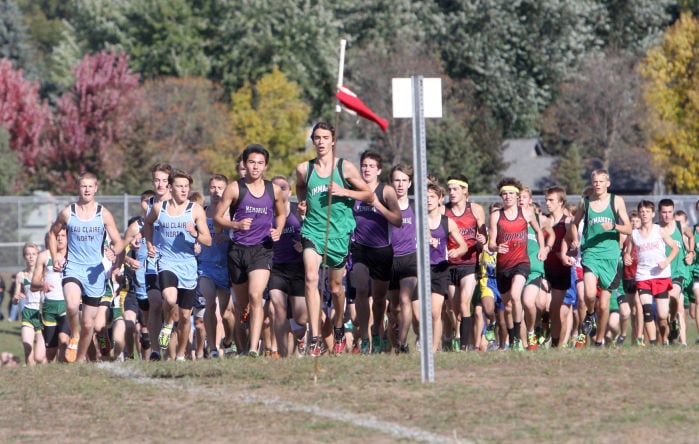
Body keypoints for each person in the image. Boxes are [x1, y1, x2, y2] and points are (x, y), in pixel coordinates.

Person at [295, 122, 372, 356]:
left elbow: (368, 194)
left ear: (332, 141)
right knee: (310, 277)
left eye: (325, 137)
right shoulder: (303, 169)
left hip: (338, 234)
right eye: (316, 137)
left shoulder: (344, 168)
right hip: (312, 231)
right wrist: (302, 203)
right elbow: (300, 187)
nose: (320, 142)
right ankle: (315, 336)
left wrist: (344, 192)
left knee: (336, 288)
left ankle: (339, 324)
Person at [214, 145, 286, 357]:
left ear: (266, 166)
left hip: (262, 250)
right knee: (242, 306)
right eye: (251, 162)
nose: (255, 167)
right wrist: (235, 225)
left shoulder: (274, 190)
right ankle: (241, 344)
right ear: (245, 164)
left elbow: (281, 214)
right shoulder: (235, 188)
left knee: (256, 296)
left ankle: (253, 348)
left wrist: (278, 230)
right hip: (238, 251)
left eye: (260, 163)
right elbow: (218, 218)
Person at [48, 172, 125, 363]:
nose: (87, 189)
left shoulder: (103, 214)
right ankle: (74, 334)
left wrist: (114, 252)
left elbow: (118, 242)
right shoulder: (68, 212)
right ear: (78, 188)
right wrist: (55, 256)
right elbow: (52, 233)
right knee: (73, 305)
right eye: (84, 186)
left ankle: (82, 359)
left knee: (90, 324)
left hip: (96, 274)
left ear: (96, 188)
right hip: (73, 267)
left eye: (91, 186)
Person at [144, 169, 211, 361]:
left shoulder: (195, 210)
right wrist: (150, 244)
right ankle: (166, 324)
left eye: (186, 187)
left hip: (188, 266)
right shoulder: (160, 208)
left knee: (184, 316)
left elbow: (208, 240)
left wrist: (195, 234)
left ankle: (181, 354)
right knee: (170, 299)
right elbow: (147, 224)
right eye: (180, 186)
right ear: (170, 188)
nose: (184, 190)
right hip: (166, 262)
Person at [569, 169, 631, 347]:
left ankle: (599, 340)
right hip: (591, 254)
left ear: (607, 183)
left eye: (601, 181)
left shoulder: (616, 201)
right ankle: (590, 314)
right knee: (589, 293)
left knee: (604, 305)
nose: (597, 184)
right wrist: (575, 239)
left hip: (611, 257)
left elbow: (628, 229)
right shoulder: (586, 202)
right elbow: (574, 224)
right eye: (594, 181)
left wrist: (613, 225)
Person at [351, 150, 402, 354]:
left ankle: (377, 330)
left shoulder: (386, 191)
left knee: (380, 299)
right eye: (364, 165)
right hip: (359, 248)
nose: (367, 169)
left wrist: (377, 205)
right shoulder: (353, 190)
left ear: (379, 170)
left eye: (372, 166)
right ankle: (364, 337)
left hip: (382, 250)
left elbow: (397, 220)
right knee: (361, 290)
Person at [488, 178, 547, 351]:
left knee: (516, 296)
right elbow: (491, 243)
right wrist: (497, 247)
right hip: (503, 266)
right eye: (504, 194)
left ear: (516, 195)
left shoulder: (527, 213)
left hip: (521, 263)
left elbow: (539, 231)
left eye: (511, 193)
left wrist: (542, 248)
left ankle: (527, 334)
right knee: (507, 307)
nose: (508, 197)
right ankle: (514, 338)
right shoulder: (496, 216)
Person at [624, 200, 678, 345]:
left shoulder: (659, 230)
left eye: (647, 212)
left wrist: (666, 262)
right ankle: (653, 343)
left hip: (661, 275)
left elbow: (675, 248)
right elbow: (627, 252)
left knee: (662, 315)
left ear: (653, 214)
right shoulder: (634, 234)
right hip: (643, 275)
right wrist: (627, 258)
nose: (644, 214)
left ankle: (665, 339)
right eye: (642, 212)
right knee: (646, 310)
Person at [267, 175, 309, 357]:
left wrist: (304, 246)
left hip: (297, 268)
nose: (280, 190)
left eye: (283, 187)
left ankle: (300, 338)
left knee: (301, 319)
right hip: (276, 268)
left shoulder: (298, 215)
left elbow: (314, 238)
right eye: (276, 187)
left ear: (290, 192)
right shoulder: (267, 217)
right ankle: (283, 355)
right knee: (278, 308)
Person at [444, 174, 486, 351]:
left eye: (455, 189)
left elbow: (484, 236)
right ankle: (458, 334)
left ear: (464, 190)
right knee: (453, 308)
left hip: (470, 262)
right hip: (450, 263)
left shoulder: (475, 209)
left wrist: (482, 240)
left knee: (464, 303)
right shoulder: (443, 210)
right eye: (449, 189)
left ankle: (464, 345)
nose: (452, 193)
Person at [427, 182, 469, 352]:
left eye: (432, 197)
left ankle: (434, 349)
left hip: (440, 269)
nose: (428, 200)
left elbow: (464, 246)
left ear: (440, 200)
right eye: (425, 197)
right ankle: (421, 341)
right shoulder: (417, 220)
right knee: (418, 315)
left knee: (435, 313)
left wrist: (456, 252)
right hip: (420, 269)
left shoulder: (448, 222)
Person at [198, 174, 235, 358]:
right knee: (210, 302)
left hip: (226, 267)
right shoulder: (201, 213)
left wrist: (229, 236)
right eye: (212, 187)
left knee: (227, 312)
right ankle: (212, 347)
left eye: (220, 187)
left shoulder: (231, 214)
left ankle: (228, 341)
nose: (216, 191)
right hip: (206, 266)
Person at [387, 165, 419, 353]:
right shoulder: (386, 206)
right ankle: (394, 343)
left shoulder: (415, 208)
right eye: (397, 180)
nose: (400, 184)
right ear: (391, 183)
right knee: (395, 308)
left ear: (409, 183)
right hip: (390, 259)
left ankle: (403, 342)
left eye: (404, 180)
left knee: (406, 299)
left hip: (410, 258)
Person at [519, 187, 552, 350]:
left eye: (524, 197)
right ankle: (525, 342)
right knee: (520, 307)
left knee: (530, 303)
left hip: (535, 267)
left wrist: (546, 248)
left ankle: (535, 329)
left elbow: (551, 234)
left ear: (530, 200)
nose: (520, 199)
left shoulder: (540, 219)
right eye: (518, 196)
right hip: (516, 267)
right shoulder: (511, 220)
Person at [657, 199, 694, 346]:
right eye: (664, 212)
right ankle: (670, 330)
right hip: (661, 273)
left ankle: (675, 330)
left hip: (678, 271)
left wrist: (690, 252)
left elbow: (691, 237)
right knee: (664, 310)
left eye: (669, 212)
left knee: (673, 297)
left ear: (673, 211)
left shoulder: (680, 225)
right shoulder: (655, 229)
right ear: (659, 213)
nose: (667, 215)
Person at [543, 186, 574, 348]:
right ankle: (540, 333)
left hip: (561, 270)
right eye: (546, 200)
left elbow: (575, 245)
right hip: (543, 268)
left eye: (551, 200)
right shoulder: (543, 221)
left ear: (561, 202)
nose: (547, 203)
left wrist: (569, 254)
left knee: (556, 310)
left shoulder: (568, 222)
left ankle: (556, 343)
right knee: (540, 304)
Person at [32, 229, 70, 363]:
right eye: (57, 236)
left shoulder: (73, 255)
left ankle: (63, 370)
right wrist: (42, 285)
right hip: (49, 307)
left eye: (63, 236)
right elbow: (33, 284)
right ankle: (53, 369)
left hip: (67, 304)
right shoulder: (44, 256)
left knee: (64, 340)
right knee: (51, 350)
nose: (60, 239)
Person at [14, 243, 46, 365]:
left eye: (33, 254)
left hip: (41, 313)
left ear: (38, 255)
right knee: (28, 349)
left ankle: (45, 375)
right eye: (28, 254)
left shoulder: (44, 273)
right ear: (24, 256)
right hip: (28, 312)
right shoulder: (20, 275)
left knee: (40, 357)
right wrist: (16, 298)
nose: (31, 257)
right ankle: (30, 376)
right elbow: (15, 299)